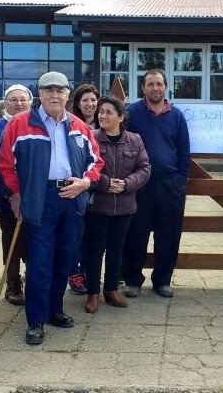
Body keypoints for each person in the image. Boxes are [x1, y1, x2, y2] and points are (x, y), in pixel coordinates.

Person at [0, 71, 104, 346]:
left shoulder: (79, 126)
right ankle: (35, 320)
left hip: (72, 196)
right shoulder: (20, 125)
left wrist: (85, 183)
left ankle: (55, 309)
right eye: (48, 90)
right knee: (40, 262)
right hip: (39, 198)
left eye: (60, 90)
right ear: (40, 95)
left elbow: (96, 163)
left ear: (68, 95)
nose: (55, 95)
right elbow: (5, 164)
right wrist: (16, 194)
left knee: (65, 259)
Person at [122, 69, 190, 298]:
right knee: (136, 233)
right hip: (140, 184)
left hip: (171, 184)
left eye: (159, 84)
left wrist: (181, 180)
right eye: (150, 84)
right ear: (143, 88)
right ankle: (132, 280)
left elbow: (184, 151)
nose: (154, 88)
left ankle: (162, 280)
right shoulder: (132, 113)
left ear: (166, 87)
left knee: (168, 234)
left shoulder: (177, 115)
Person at [83, 96, 151, 313]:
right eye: (101, 112)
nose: (102, 115)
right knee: (94, 251)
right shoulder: (90, 137)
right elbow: (81, 166)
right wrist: (104, 183)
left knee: (117, 249)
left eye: (108, 112)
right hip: (97, 206)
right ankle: (93, 292)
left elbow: (144, 168)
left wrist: (126, 185)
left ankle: (111, 290)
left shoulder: (135, 140)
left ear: (121, 117)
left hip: (124, 206)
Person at [0, 83, 33, 306]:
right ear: (4, 104)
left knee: (34, 240)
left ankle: (34, 280)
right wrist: (11, 195)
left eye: (23, 99)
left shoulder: (35, 124)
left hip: (35, 197)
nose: (19, 103)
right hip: (8, 197)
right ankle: (13, 283)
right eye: (13, 99)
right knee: (11, 241)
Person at [66, 83, 101, 295]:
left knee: (93, 238)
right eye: (85, 100)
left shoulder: (105, 121)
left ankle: (91, 274)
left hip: (98, 189)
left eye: (93, 100)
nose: (90, 104)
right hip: (76, 191)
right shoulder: (70, 125)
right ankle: (74, 276)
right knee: (75, 238)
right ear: (78, 103)